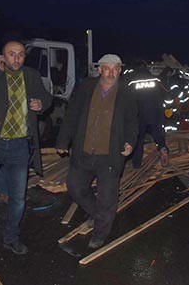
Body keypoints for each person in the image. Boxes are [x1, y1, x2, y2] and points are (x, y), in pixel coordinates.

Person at [0, 40, 52, 254]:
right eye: (11, 54)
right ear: (2, 56)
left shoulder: (31, 75)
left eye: (20, 54)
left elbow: (47, 97)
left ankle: (11, 236)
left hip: (19, 146)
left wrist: (41, 104)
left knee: (18, 198)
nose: (16, 58)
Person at [56, 54, 138, 249]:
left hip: (110, 155)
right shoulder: (87, 87)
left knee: (107, 197)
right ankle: (97, 214)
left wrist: (129, 142)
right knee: (75, 186)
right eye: (107, 68)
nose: (111, 72)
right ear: (99, 69)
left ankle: (100, 233)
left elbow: (132, 121)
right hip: (84, 151)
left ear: (120, 70)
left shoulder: (127, 93)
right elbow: (73, 113)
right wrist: (63, 139)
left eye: (115, 68)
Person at [126, 62, 168, 169]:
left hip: (140, 113)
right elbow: (165, 94)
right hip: (155, 112)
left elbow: (127, 99)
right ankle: (162, 148)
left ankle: (137, 163)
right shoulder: (155, 80)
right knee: (158, 133)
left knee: (138, 138)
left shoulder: (132, 82)